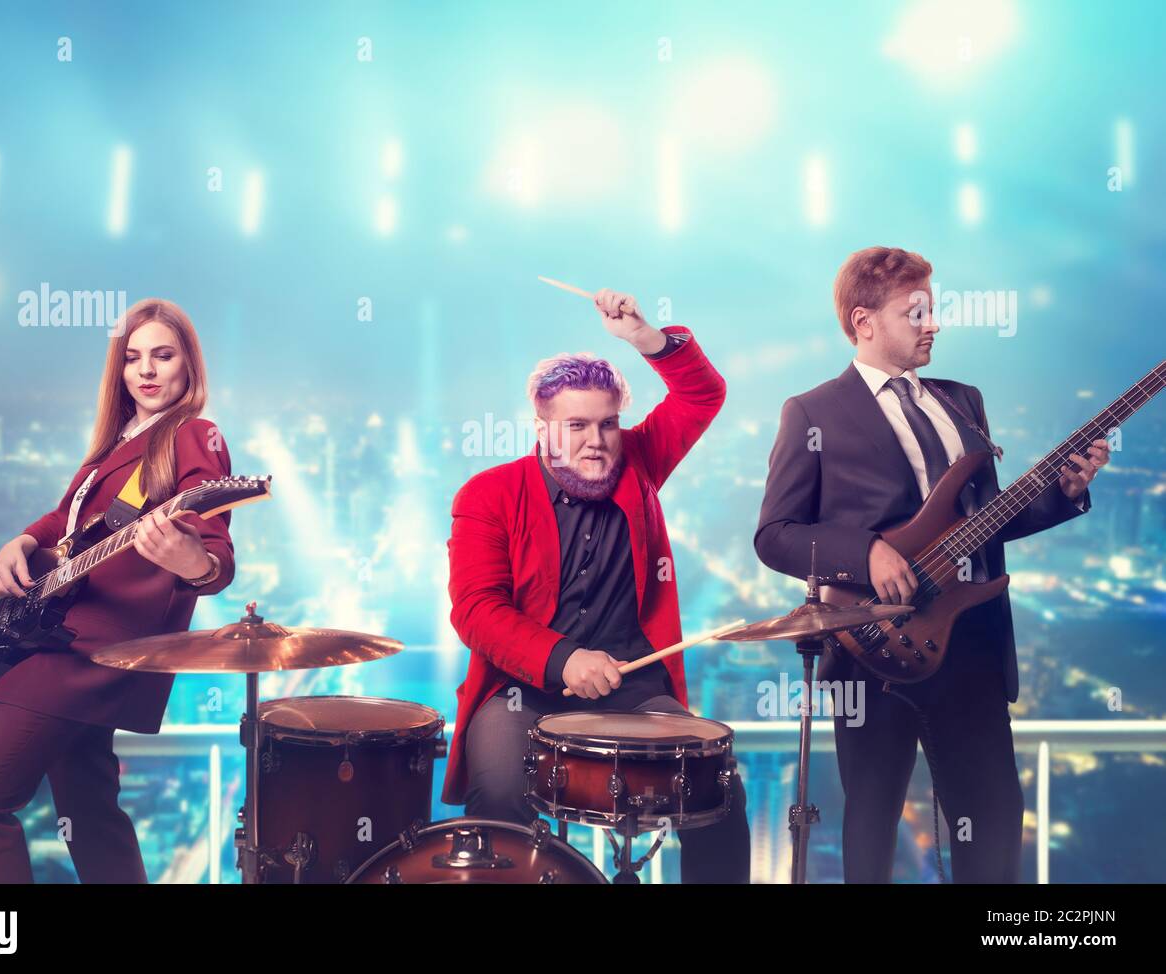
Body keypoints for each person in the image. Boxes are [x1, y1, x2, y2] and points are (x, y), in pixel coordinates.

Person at [754, 247, 1107, 882]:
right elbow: (776, 534)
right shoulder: (811, 412)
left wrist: (1068, 492)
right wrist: (865, 551)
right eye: (914, 311)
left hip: (971, 646)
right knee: (871, 836)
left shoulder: (963, 402)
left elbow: (989, 522)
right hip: (872, 651)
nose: (932, 323)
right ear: (863, 321)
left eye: (933, 309)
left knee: (996, 821)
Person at [443, 288, 751, 883]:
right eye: (576, 425)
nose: (596, 440)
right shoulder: (487, 494)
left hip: (634, 686)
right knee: (501, 800)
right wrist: (564, 659)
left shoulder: (637, 460)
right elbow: (477, 611)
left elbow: (703, 394)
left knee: (720, 799)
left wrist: (645, 338)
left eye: (608, 423)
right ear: (542, 428)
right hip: (521, 690)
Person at [0, 298, 236, 883]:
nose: (146, 370)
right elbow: (68, 523)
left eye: (163, 355)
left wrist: (192, 561)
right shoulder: (120, 442)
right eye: (133, 358)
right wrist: (20, 541)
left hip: (88, 654)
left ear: (188, 366)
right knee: (92, 815)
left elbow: (216, 557)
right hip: (73, 635)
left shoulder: (194, 433)